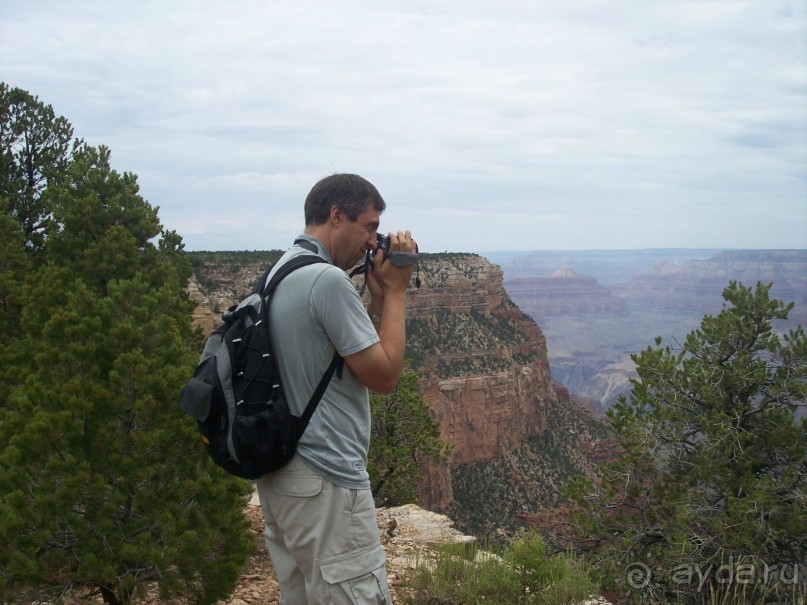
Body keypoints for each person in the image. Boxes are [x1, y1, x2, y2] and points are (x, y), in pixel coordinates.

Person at [255, 173, 417, 604]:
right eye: (369, 227)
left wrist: (378, 296)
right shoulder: (327, 281)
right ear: (336, 215)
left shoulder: (283, 269)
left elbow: (341, 356)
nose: (372, 242)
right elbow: (383, 376)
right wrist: (399, 292)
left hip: (284, 479)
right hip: (325, 479)